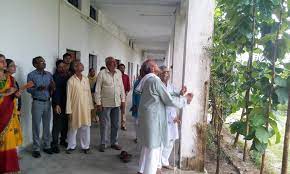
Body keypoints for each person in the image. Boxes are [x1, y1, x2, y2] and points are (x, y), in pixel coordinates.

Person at [136, 59, 193, 174]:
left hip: (150, 119)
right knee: (153, 152)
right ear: (152, 68)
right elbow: (169, 100)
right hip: (153, 120)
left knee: (148, 148)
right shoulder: (155, 81)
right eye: (155, 64)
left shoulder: (149, 80)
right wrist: (185, 100)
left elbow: (166, 94)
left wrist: (179, 94)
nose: (159, 67)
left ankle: (142, 171)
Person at [0, 55, 33, 173]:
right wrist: (5, 94)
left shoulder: (12, 80)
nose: (3, 63)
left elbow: (14, 95)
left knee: (8, 141)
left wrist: (19, 91)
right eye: (1, 61)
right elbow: (6, 94)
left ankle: (8, 168)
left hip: (9, 115)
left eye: (4, 61)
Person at [157, 66, 187, 171]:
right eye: (164, 72)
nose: (166, 74)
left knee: (171, 139)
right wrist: (184, 100)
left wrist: (181, 93)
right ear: (159, 74)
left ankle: (164, 161)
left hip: (172, 114)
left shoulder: (170, 86)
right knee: (161, 141)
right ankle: (158, 165)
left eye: (168, 72)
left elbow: (176, 95)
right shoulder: (158, 85)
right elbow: (168, 100)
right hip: (162, 115)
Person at [95, 57, 125, 152]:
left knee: (115, 124)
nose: (115, 64)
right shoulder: (102, 74)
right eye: (113, 63)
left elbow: (121, 87)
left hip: (116, 103)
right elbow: (97, 90)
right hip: (105, 104)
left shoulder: (118, 73)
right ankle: (103, 143)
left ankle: (114, 142)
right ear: (107, 64)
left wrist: (123, 100)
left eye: (115, 63)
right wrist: (98, 103)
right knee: (104, 124)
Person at [27, 56, 55, 158]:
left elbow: (52, 88)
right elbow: (28, 90)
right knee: (36, 126)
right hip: (37, 102)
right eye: (41, 62)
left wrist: (52, 88)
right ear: (35, 64)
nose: (44, 63)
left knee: (47, 126)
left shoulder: (49, 75)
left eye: (44, 61)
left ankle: (47, 146)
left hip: (48, 102)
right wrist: (37, 89)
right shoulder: (31, 75)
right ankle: (36, 148)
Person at [66, 61, 94, 154]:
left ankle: (85, 146)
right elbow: (68, 97)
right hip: (75, 108)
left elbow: (89, 94)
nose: (82, 65)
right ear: (75, 68)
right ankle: (71, 146)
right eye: (79, 64)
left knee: (86, 127)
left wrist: (91, 107)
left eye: (81, 64)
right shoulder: (71, 81)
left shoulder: (86, 79)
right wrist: (69, 111)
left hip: (86, 108)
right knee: (73, 127)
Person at [51, 60, 70, 153]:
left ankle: (63, 140)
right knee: (57, 124)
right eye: (60, 67)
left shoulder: (68, 76)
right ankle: (54, 144)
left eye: (64, 66)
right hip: (57, 103)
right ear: (57, 68)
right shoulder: (54, 77)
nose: (62, 68)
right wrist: (57, 104)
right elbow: (55, 92)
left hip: (67, 103)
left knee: (65, 123)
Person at [130, 70, 142, 143]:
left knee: (142, 123)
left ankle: (141, 137)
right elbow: (134, 94)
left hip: (145, 107)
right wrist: (134, 104)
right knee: (136, 123)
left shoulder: (148, 82)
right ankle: (137, 137)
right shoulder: (137, 82)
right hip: (137, 105)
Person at [118, 64, 130, 131]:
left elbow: (128, 86)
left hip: (124, 96)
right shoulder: (115, 76)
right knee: (115, 111)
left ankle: (123, 125)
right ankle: (114, 124)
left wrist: (126, 93)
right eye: (120, 68)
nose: (122, 69)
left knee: (123, 111)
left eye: (123, 68)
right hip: (116, 96)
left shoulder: (126, 77)